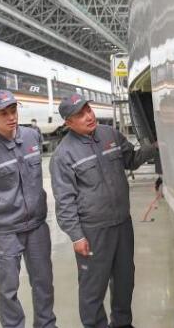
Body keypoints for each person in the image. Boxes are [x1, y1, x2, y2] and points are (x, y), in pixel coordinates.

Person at [50, 93, 157, 328]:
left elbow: (132, 159)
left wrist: (156, 147)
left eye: (88, 109)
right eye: (80, 115)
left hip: (122, 223)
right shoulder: (63, 155)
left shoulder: (110, 134)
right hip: (93, 231)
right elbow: (64, 201)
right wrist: (76, 236)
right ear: (68, 123)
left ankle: (122, 323)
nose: (89, 116)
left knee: (125, 279)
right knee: (93, 286)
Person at [0, 90, 57, 328]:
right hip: (5, 231)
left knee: (43, 282)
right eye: (3, 113)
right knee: (8, 289)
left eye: (13, 110)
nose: (11, 117)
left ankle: (46, 324)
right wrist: (0, 209)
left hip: (36, 226)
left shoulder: (32, 136)